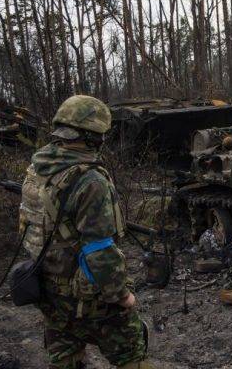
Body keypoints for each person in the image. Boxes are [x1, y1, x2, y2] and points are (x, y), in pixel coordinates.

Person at [19, 95, 151, 369]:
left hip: (47, 289)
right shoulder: (90, 180)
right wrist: (122, 296)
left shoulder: (38, 168)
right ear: (94, 137)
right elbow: (99, 251)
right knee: (132, 357)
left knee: (66, 359)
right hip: (89, 298)